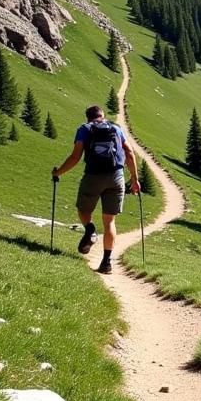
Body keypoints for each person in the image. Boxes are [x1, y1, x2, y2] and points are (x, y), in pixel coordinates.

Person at [52, 103, 140, 273]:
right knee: (110, 221)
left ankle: (90, 229)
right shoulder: (115, 128)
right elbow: (129, 153)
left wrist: (58, 173)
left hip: (93, 176)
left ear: (88, 117)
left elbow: (76, 156)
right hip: (117, 177)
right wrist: (135, 179)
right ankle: (106, 263)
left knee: (83, 210)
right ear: (102, 115)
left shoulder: (85, 129)